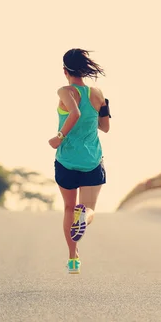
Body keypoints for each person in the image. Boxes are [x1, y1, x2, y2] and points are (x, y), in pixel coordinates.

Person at [48, 48, 110, 274]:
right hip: (92, 160)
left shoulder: (65, 91)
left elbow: (74, 114)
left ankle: (73, 259)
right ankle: (85, 216)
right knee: (88, 208)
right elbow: (105, 127)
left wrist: (59, 137)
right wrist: (100, 108)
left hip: (66, 160)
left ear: (65, 70)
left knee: (68, 208)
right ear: (84, 70)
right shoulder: (97, 93)